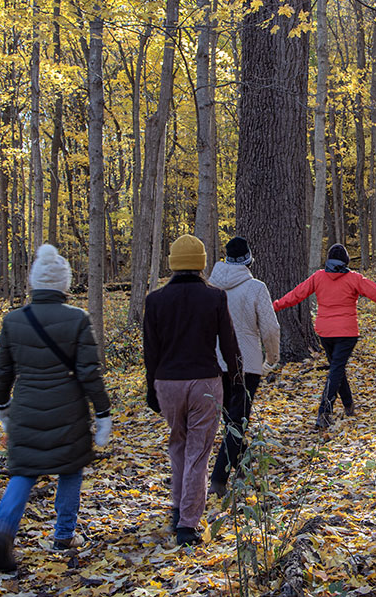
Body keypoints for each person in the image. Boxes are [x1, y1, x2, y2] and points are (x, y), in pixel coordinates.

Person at [0, 244, 112, 573]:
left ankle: (3, 532)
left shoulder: (13, 320)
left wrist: (1, 405)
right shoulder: (77, 319)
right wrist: (102, 413)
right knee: (70, 469)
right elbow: (89, 372)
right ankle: (63, 535)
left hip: (26, 408)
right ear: (64, 284)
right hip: (68, 410)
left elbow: (3, 371)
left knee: (23, 473)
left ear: (33, 283)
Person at [144, 234, 242, 546]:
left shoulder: (155, 300)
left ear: (172, 262)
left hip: (167, 383)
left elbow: (151, 352)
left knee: (179, 444)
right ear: (201, 263)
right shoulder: (214, 298)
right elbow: (229, 343)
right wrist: (236, 379)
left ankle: (178, 507)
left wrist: (151, 389)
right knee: (199, 451)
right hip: (204, 382)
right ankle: (187, 524)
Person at [274, 244, 376, 429]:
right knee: (336, 369)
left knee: (337, 368)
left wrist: (276, 305)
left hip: (325, 332)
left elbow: (297, 294)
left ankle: (349, 405)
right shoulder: (354, 278)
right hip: (347, 333)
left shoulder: (318, 277)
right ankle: (325, 412)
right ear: (345, 261)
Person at [207, 236, 280, 497]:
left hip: (216, 362)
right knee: (237, 420)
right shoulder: (256, 288)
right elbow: (271, 328)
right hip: (247, 363)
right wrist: (272, 358)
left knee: (231, 419)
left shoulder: (211, 288)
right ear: (249, 259)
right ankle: (218, 480)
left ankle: (244, 464)